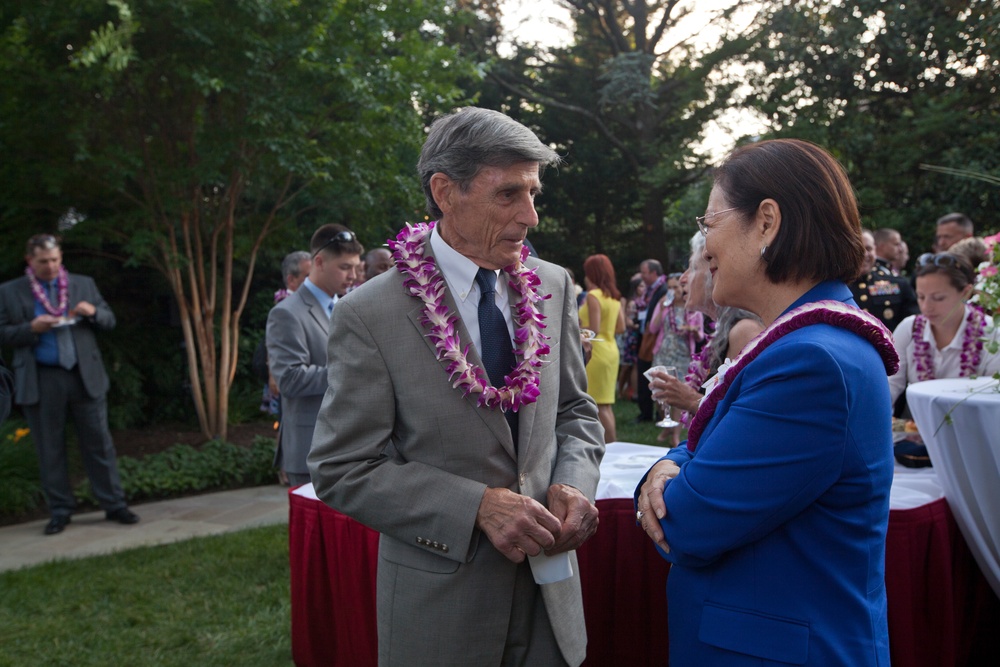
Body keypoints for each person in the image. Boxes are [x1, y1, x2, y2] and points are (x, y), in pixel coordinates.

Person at [308, 107, 605, 666]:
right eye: (509, 194)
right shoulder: (371, 313)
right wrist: (476, 507)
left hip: (552, 604)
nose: (531, 215)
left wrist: (572, 482)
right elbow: (342, 467)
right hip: (441, 614)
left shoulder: (553, 284)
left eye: (534, 192)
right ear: (445, 191)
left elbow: (575, 412)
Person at [636, 139, 898, 664]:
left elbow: (686, 524)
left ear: (767, 222)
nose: (704, 245)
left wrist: (669, 470)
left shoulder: (811, 363)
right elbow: (716, 449)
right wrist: (672, 461)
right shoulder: (808, 345)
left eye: (709, 223)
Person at [0, 234, 139, 535]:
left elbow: (109, 320)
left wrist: (93, 312)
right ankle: (60, 511)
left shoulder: (82, 284)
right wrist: (30, 328)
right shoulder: (10, 292)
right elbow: (3, 333)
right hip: (42, 377)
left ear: (60, 257)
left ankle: (114, 504)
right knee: (50, 448)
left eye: (54, 260)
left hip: (83, 374)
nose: (50, 266)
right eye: (43, 261)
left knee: (99, 443)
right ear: (30, 261)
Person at [266, 224, 362, 487]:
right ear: (318, 262)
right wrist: (355, 369)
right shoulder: (286, 313)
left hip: (351, 447)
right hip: (311, 450)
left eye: (355, 267)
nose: (353, 275)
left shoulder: (346, 306)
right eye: (344, 267)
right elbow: (289, 379)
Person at [652, 232, 762, 432]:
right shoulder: (728, 329)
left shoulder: (745, 331)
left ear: (716, 271)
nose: (683, 278)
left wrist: (690, 399)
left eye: (692, 267)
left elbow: (747, 420)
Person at [888, 252, 1000, 409]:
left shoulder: (991, 334)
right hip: (916, 428)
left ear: (965, 292)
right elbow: (890, 386)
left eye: (938, 298)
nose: (926, 307)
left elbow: (992, 398)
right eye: (920, 297)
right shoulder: (909, 329)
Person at [647, 273, 703, 444]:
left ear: (683, 289)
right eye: (669, 287)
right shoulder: (664, 306)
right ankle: (667, 427)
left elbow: (701, 336)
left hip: (683, 355)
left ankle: (676, 434)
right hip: (664, 353)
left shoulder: (692, 308)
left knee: (678, 392)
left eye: (675, 287)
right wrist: (663, 308)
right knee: (658, 391)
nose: (672, 291)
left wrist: (693, 330)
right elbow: (652, 328)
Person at [579, 254, 624, 443]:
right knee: (606, 404)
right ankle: (612, 443)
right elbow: (621, 327)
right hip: (611, 349)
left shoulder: (593, 295)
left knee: (598, 404)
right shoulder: (614, 297)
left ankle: (610, 445)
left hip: (595, 351)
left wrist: (575, 329)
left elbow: (594, 329)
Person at [849, 230, 919, 333]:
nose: (864, 254)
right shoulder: (835, 286)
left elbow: (915, 325)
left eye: (869, 249)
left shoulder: (898, 284)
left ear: (875, 250)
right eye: (857, 249)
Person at [634, 259, 668, 422]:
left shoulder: (663, 289)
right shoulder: (650, 289)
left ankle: (651, 413)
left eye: (644, 272)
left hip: (654, 338)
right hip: (645, 335)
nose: (641, 276)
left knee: (650, 374)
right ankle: (646, 412)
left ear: (654, 273)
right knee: (644, 373)